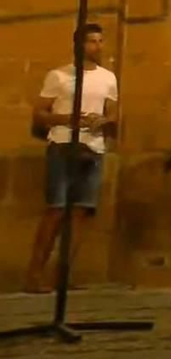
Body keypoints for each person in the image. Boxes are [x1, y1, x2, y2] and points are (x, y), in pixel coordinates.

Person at [24, 23, 120, 294]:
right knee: (55, 211)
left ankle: (61, 277)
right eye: (91, 41)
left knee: (80, 213)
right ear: (78, 45)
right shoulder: (59, 76)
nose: (97, 46)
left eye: (100, 41)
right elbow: (40, 113)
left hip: (93, 148)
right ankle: (34, 275)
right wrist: (69, 118)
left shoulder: (108, 78)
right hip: (64, 145)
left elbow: (113, 112)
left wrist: (103, 120)